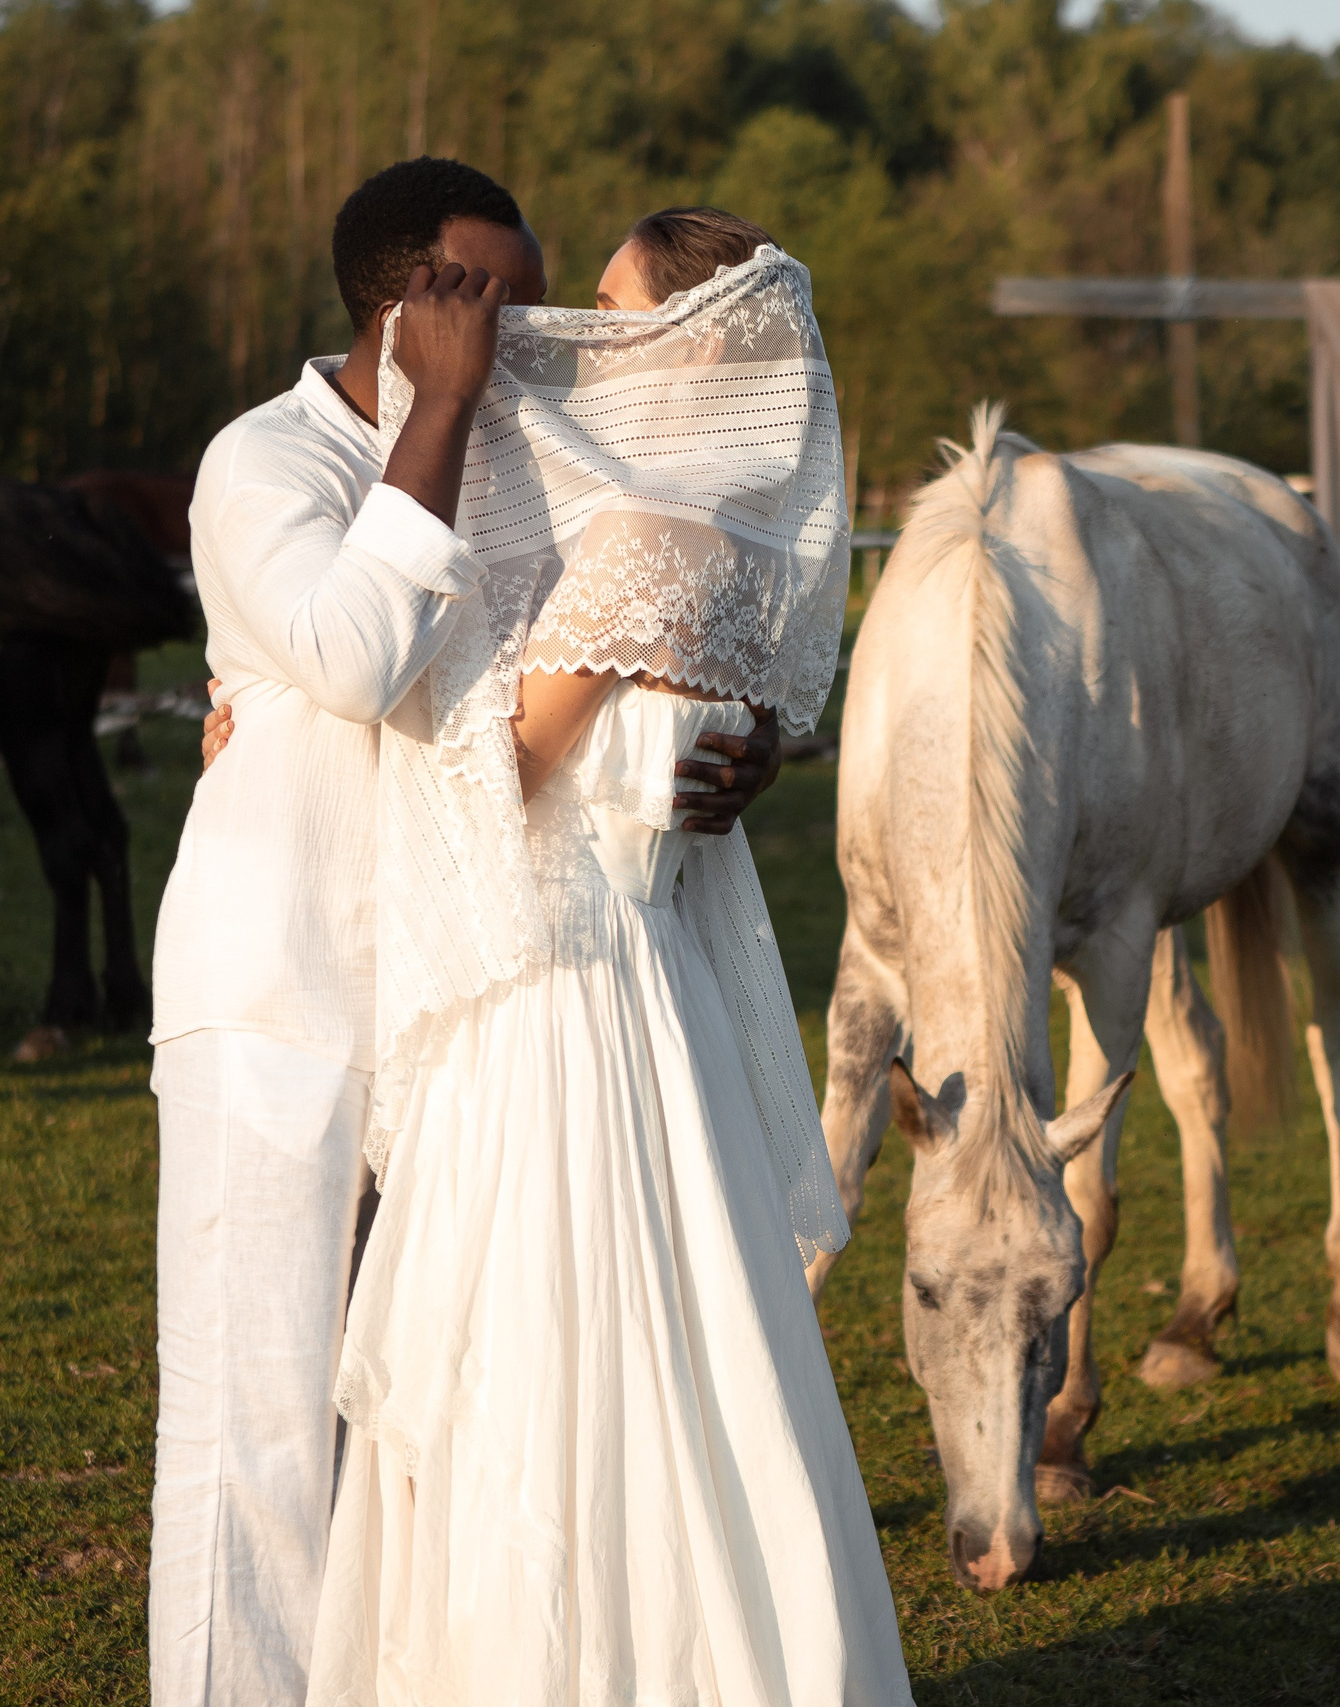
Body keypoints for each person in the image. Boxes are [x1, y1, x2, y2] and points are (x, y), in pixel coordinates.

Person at [147, 162, 783, 1707]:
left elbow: (597, 667)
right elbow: (359, 664)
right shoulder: (264, 465)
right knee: (258, 1428)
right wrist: (432, 418)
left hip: (471, 993)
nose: (534, 328)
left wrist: (743, 743)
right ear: (406, 307)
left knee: (420, 1424)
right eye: (490, 298)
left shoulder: (521, 458)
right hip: (283, 983)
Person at [301, 218, 916, 1704]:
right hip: (647, 982)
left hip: (560, 1001)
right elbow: (700, 743)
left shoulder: (643, 539)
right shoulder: (740, 538)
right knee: (686, 1368)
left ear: (685, 350)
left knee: (555, 1369)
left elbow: (507, 765)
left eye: (617, 319)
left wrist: (327, 713)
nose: (584, 346)